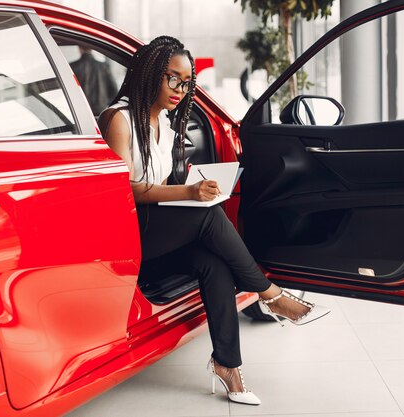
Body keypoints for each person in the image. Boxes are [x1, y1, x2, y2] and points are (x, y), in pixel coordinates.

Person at [98, 35, 330, 406]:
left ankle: (227, 366)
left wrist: (192, 185)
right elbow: (126, 190)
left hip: (152, 233)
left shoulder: (165, 123)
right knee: (207, 217)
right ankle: (269, 294)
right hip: (127, 237)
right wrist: (188, 195)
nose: (179, 88)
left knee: (212, 263)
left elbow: (158, 186)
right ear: (149, 74)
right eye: (171, 78)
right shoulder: (120, 119)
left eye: (186, 82)